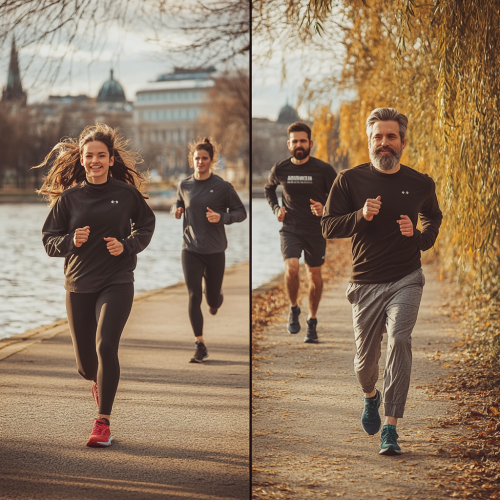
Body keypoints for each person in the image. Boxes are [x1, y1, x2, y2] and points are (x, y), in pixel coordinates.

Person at [321, 107, 443, 455]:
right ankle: (370, 396)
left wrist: (419, 237)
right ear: (369, 141)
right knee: (365, 363)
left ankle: (391, 427)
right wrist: (360, 215)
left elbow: (433, 217)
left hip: (407, 277)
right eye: (378, 137)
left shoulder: (420, 182)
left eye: (391, 136)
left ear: (402, 141)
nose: (385, 143)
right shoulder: (349, 180)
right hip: (365, 282)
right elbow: (328, 227)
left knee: (401, 340)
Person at [37, 123, 155, 448]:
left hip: (117, 281)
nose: (95, 161)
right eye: (90, 156)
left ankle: (103, 421)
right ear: (83, 159)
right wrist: (70, 241)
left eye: (101, 155)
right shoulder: (70, 198)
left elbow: (146, 224)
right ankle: (97, 381)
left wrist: (127, 245)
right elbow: (49, 241)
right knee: (87, 365)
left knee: (106, 346)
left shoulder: (126, 194)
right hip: (78, 284)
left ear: (111, 159)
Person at [173, 137, 247, 363]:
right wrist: (177, 210)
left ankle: (215, 300)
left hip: (215, 251)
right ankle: (200, 343)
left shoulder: (223, 187)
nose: (200, 162)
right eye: (197, 158)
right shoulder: (184, 185)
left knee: (212, 298)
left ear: (211, 160)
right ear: (191, 160)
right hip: (191, 249)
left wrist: (221, 217)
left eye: (205, 158)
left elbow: (241, 213)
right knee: (194, 295)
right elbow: (180, 202)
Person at [264, 121, 336, 343]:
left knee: (314, 275)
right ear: (288, 144)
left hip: (315, 230)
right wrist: (276, 208)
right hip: (291, 229)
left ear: (310, 143)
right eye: (295, 141)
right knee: (292, 268)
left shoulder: (323, 170)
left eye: (303, 141)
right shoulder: (281, 168)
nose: (299, 144)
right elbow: (269, 188)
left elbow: (339, 196)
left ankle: (312, 321)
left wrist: (325, 209)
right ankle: (294, 308)